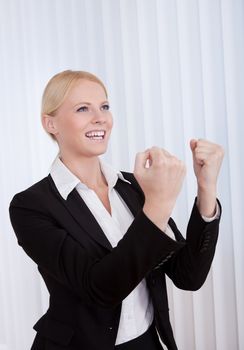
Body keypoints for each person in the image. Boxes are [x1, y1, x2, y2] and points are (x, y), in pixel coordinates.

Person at [9, 70, 224, 350]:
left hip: (147, 342)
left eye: (105, 106)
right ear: (51, 123)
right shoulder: (31, 206)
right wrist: (157, 205)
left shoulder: (133, 186)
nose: (100, 117)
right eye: (83, 108)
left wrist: (206, 188)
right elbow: (100, 289)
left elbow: (188, 276)